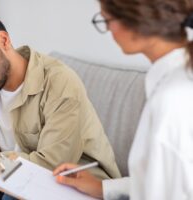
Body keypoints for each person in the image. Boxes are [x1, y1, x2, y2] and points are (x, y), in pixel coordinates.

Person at [0, 4, 121, 200]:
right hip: (14, 174)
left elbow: (52, 162)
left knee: (15, 192)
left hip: (74, 181)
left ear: (3, 40)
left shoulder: (59, 81)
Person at [53, 0, 193, 199]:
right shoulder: (173, 79)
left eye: (107, 20)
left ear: (135, 19)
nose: (109, 29)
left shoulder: (172, 100)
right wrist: (103, 188)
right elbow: (162, 179)